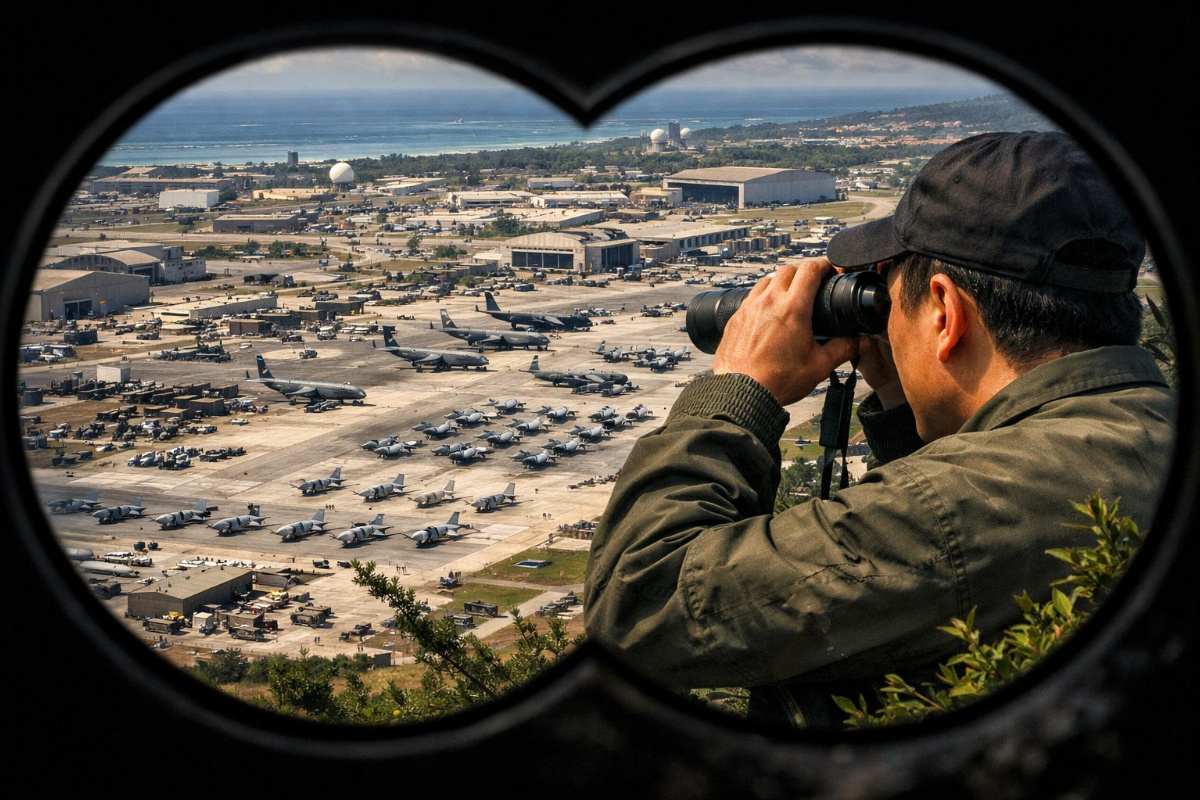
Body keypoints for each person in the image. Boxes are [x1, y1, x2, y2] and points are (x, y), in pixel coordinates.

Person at [582, 131, 1176, 728]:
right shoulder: (1144, 430)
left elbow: (641, 606)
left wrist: (738, 389)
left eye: (891, 301)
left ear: (944, 313)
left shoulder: (957, 507)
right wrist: (900, 398)